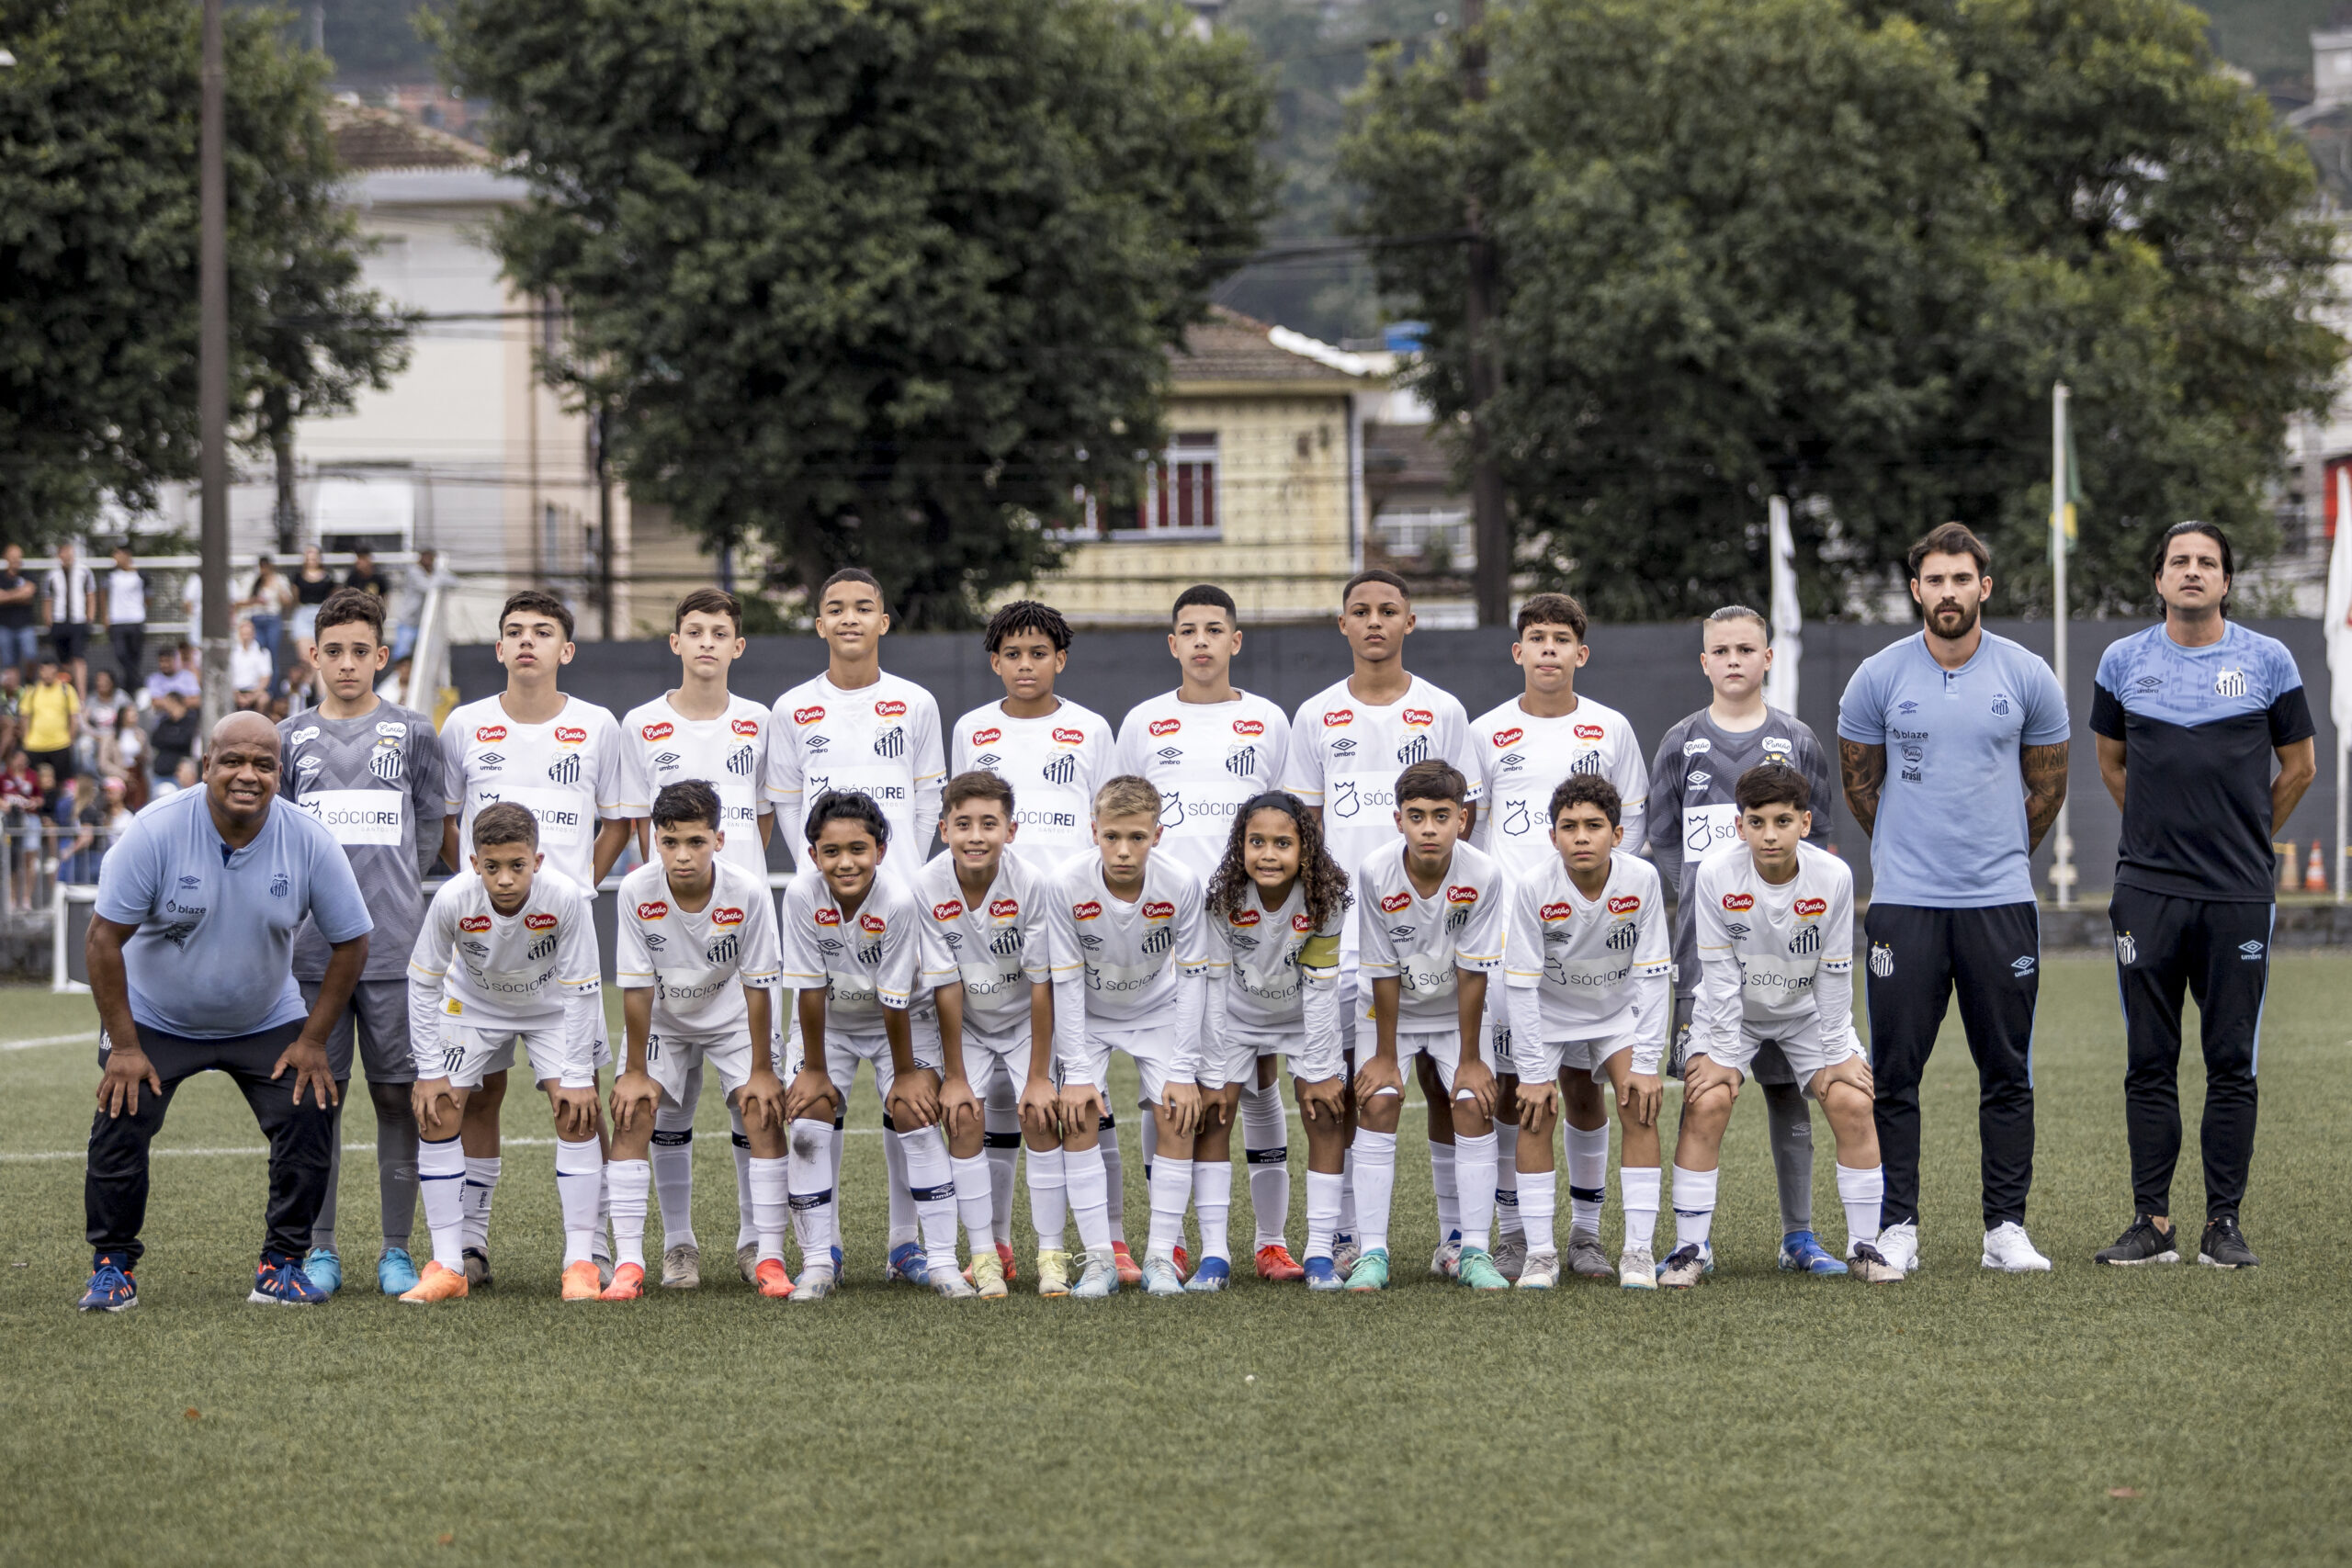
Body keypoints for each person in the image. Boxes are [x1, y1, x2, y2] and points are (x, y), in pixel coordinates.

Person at [75, 710, 372, 1311]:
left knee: (310, 1103)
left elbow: (354, 940)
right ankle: (113, 1266)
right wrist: (126, 1047)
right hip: (156, 1017)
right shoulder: (156, 830)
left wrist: (313, 1039)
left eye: (263, 763)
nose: (247, 774)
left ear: (279, 774)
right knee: (119, 1117)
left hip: (263, 1014)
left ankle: (281, 1264)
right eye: (232, 760)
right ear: (206, 765)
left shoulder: (308, 839)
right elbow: (102, 939)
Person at [1837, 521, 2071, 1274]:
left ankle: (2005, 1228)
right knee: (1897, 1072)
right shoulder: (1877, 676)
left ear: (1984, 586)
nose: (1948, 592)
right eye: (1934, 580)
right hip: (1905, 903)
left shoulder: (2028, 674)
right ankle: (1897, 1224)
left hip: (2001, 902)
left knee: (2006, 1069)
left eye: (1961, 579)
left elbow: (2048, 788)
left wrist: (1994, 855)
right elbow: (1860, 786)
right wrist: (1911, 852)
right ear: (1916, 590)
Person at [2089, 522, 2316, 1270]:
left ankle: (2224, 1223)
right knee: (2149, 1060)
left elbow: (2300, 767)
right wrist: (2162, 841)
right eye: (2179, 561)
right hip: (2147, 892)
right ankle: (2152, 1223)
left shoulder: (2268, 660)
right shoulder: (2123, 661)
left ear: (2226, 581)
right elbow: (2114, 764)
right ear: (2158, 579)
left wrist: (2245, 838)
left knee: (2230, 1061)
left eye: (2207, 563)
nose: (2192, 572)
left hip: (2237, 894)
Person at [1282, 569, 1479, 1280]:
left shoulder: (1444, 711)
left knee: (1438, 1079)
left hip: (1429, 931)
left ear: (1409, 622)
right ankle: (1339, 1236)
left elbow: (1468, 815)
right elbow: (1304, 828)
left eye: (1387, 610)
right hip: (1342, 934)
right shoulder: (1314, 716)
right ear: (1342, 625)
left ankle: (1457, 1234)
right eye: (1360, 611)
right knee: (1336, 1083)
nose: (1374, 622)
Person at [437, 591, 631, 1286]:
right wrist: (476, 889)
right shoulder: (463, 724)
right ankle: (469, 1243)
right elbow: (447, 820)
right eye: (514, 631)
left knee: (576, 1090)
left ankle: (592, 1245)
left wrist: (576, 885)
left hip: (561, 946)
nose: (527, 642)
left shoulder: (598, 724)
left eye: (542, 632)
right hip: (483, 947)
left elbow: (618, 820)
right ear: (498, 648)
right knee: (479, 1092)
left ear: (565, 650)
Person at [1646, 605, 1845, 1276]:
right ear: (1704, 662)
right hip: (1703, 954)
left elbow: (1820, 845)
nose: (1733, 660)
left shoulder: (1797, 739)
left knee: (1790, 1092)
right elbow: (1667, 845)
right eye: (1720, 650)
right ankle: (1692, 1242)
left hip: (1786, 954)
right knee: (1704, 1089)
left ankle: (1800, 1237)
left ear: (1767, 658)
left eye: (1745, 648)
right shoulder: (1680, 742)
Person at [763, 568, 946, 1283]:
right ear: (818, 623)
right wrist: (823, 871)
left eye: (863, 607)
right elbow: (785, 804)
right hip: (829, 927)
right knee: (811, 1104)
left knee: (911, 1099)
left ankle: (909, 1243)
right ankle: (824, 1250)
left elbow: (928, 798)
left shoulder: (915, 703)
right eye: (834, 607)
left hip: (895, 911)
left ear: (884, 620)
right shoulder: (792, 708)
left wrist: (897, 875)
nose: (849, 618)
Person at [1465, 591, 1648, 1280]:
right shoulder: (1486, 732)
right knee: (1516, 1086)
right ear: (1518, 652)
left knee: (1582, 1084)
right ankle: (1515, 1233)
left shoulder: (1610, 729)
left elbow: (1633, 830)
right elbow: (1474, 836)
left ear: (1581, 653)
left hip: (1591, 943)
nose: (1548, 649)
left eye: (1560, 638)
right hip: (1515, 943)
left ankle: (1588, 1234)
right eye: (1535, 637)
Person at [1109, 583, 1288, 1281]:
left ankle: (1270, 1240)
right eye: (1191, 629)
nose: (1204, 640)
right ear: (1173, 643)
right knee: (1171, 1074)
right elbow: (1124, 816)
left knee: (1259, 1072)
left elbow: (1292, 826)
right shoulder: (1144, 723)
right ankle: (1172, 1236)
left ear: (1235, 641)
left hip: (1251, 924)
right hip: (1167, 928)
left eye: (1217, 628)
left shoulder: (1269, 720)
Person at [1664, 763, 1899, 1287]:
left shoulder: (1834, 877)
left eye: (1783, 821)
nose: (1770, 835)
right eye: (1757, 822)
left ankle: (1865, 1246)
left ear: (1806, 823)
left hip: (1805, 1014)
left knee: (1853, 1100)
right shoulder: (1715, 875)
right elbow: (1718, 973)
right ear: (1739, 824)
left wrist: (1838, 1051)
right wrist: (1723, 1055)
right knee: (1707, 1101)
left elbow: (1837, 972)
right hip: (1733, 1015)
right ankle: (1689, 1249)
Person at [277, 587, 447, 1298]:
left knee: (395, 1095)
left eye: (361, 652)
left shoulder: (414, 733)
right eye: (334, 651)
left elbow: (430, 829)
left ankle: (395, 1249)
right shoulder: (288, 738)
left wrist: (396, 894)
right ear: (314, 656)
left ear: (382, 657)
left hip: (395, 950)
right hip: (311, 957)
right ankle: (320, 1250)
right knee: (318, 1099)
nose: (347, 664)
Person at [948, 599, 1114, 1271]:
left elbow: (1106, 820)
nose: (1025, 664)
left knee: (1082, 1081)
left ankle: (1112, 1240)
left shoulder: (1092, 729)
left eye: (1038, 653)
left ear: (1060, 660)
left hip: (1070, 925)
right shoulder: (970, 728)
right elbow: (966, 815)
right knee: (992, 1096)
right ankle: (996, 1243)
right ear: (995, 662)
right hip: (990, 927)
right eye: (1012, 653)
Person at [618, 587, 777, 1289]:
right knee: (664, 1109)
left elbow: (764, 818)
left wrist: (729, 869)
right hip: (669, 927)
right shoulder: (641, 723)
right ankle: (678, 1243)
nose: (707, 641)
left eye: (720, 631)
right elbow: (632, 821)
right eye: (694, 630)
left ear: (737, 646)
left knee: (754, 1103)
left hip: (736, 925)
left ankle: (753, 1239)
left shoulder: (761, 721)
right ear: (676, 642)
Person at [398, 804, 605, 1303]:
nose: (505, 879)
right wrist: (428, 1070)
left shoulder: (566, 898)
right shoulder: (451, 899)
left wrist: (577, 1074)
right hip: (474, 1006)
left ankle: (581, 1262)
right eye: (493, 867)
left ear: (538, 859)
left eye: (517, 865)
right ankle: (450, 1263)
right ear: (474, 862)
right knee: (437, 1110)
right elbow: (421, 983)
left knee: (576, 1112)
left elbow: (583, 989)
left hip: (552, 1008)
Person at [777, 790, 968, 1300]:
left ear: (880, 851)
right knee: (808, 1118)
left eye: (858, 849)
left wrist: (907, 1075)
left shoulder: (899, 901)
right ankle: (820, 1260)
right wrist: (814, 1069)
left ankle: (940, 1259)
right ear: (813, 854)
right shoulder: (799, 896)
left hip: (900, 1023)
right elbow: (808, 989)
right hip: (830, 1024)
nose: (846, 862)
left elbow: (895, 1000)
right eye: (832, 851)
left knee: (915, 1112)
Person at [605, 781, 791, 1301]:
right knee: (636, 1112)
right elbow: (637, 988)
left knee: (760, 1110)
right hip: (665, 1018)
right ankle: (647, 1256)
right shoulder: (636, 890)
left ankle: (764, 1250)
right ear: (653, 841)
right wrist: (636, 1072)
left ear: (719, 839)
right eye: (670, 843)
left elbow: (759, 985)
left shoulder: (748, 891)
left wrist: (761, 1069)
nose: (682, 856)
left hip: (731, 1013)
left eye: (695, 842)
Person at [1044, 774, 1213, 1298]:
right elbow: (1065, 981)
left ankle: (1161, 1257)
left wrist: (1185, 1071)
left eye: (1136, 837)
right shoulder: (1065, 884)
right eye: (1112, 836)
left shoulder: (1182, 882)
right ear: (1093, 831)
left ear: (1157, 835)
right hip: (1089, 1014)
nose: (1123, 850)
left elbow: (1192, 976)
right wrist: (1073, 1072)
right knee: (1077, 1114)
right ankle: (1099, 1260)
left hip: (1158, 1009)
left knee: (1177, 1115)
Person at [1501, 774, 1671, 1289]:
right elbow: (1522, 987)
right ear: (1552, 836)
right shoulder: (1534, 886)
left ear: (1617, 835)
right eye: (1568, 826)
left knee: (1638, 1104)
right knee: (1534, 1112)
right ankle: (1541, 1255)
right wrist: (1532, 1074)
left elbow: (1655, 971)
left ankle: (1635, 1252)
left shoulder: (1642, 880)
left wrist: (1645, 1066)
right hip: (1548, 1012)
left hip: (1615, 1013)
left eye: (1594, 826)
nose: (1581, 837)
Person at [1347, 759, 1509, 1292]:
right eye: (1417, 817)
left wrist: (1469, 1059)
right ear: (1398, 821)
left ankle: (1472, 1249)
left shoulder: (1482, 872)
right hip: (1391, 1007)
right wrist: (1385, 1055)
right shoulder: (1375, 870)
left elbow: (1473, 970)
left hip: (1457, 1009)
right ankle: (1373, 1253)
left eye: (1442, 816)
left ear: (1462, 819)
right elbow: (1381, 965)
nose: (1429, 829)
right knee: (1379, 1100)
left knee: (1472, 1103)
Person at [1201, 792, 1351, 1289]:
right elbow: (1215, 986)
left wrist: (1323, 1068)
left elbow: (1322, 987)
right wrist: (1216, 1066)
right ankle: (1214, 1256)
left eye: (1282, 843)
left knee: (1326, 1112)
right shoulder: (1222, 898)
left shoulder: (1324, 898)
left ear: (1305, 849)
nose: (1269, 854)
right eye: (1257, 842)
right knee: (1216, 1111)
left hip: (1301, 1018)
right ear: (1238, 846)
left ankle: (1319, 1255)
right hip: (1236, 1017)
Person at [915, 771, 1057, 1296]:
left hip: (1024, 1020)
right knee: (963, 1118)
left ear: (1011, 830)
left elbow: (1043, 982)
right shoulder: (927, 885)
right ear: (943, 828)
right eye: (963, 824)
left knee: (1043, 1117)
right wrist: (953, 1076)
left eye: (989, 824)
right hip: (966, 1025)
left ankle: (1051, 1255)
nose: (976, 835)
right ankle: (985, 1256)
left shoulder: (1033, 884)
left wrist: (1039, 1075)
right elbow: (944, 985)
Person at [41, 540, 97, 694]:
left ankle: (81, 697)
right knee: (64, 662)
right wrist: (48, 619)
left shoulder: (84, 571)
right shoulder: (52, 574)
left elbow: (90, 595)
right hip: (59, 620)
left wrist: (90, 617)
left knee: (78, 659)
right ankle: (68, 693)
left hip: (78, 620)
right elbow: (47, 599)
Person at [390, 548, 456, 666]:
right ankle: (398, 677)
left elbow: (455, 582)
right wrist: (440, 577)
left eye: (430, 559)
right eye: (426, 558)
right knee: (402, 653)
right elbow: (426, 586)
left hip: (423, 623)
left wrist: (438, 575)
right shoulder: (413, 572)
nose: (428, 561)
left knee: (424, 653)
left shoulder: (434, 573)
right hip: (408, 621)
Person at [240, 556, 292, 693]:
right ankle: (257, 689)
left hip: (272, 618)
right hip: (256, 619)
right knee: (258, 652)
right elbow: (240, 602)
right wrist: (256, 600)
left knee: (272, 655)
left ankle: (272, 691)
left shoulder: (279, 580)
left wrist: (276, 586)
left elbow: (287, 602)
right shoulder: (252, 580)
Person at [22, 658, 79, 784]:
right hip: (35, 745)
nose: (47, 674)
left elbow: (74, 716)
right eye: (44, 670)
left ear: (56, 671)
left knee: (62, 782)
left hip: (60, 744)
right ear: (40, 672)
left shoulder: (66, 690)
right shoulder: (32, 691)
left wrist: (71, 739)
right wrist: (26, 739)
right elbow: (25, 716)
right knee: (34, 783)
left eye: (50, 670)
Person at [104, 545, 150, 687]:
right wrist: (105, 615)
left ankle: (130, 686)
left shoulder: (140, 575)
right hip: (117, 621)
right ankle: (136, 683)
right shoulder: (110, 575)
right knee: (121, 654)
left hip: (135, 620)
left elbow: (149, 597)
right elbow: (103, 595)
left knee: (135, 656)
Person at [147, 691, 200, 793]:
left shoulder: (191, 721)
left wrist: (169, 740)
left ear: (174, 702)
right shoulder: (164, 722)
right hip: (161, 771)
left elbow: (185, 741)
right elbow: (155, 740)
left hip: (180, 774)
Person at [0, 543, 40, 672]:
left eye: (18, 556)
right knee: (9, 663)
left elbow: (28, 593)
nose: (16, 560)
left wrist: (7, 595)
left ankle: (29, 684)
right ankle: (14, 691)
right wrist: (19, 594)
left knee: (31, 655)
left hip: (25, 626)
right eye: (13, 557)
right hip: (5, 626)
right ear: (6, 558)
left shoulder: (28, 575)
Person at [291, 545, 334, 647]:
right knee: (304, 653)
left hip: (322, 613)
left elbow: (333, 597)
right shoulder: (298, 577)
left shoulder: (328, 577)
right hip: (304, 612)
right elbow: (295, 598)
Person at [230, 618, 273, 697]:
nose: (245, 637)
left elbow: (265, 677)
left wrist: (254, 695)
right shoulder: (231, 652)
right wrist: (235, 694)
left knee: (264, 699)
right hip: (234, 692)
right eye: (243, 634)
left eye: (248, 634)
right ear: (239, 634)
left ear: (253, 634)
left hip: (254, 691)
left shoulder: (263, 652)